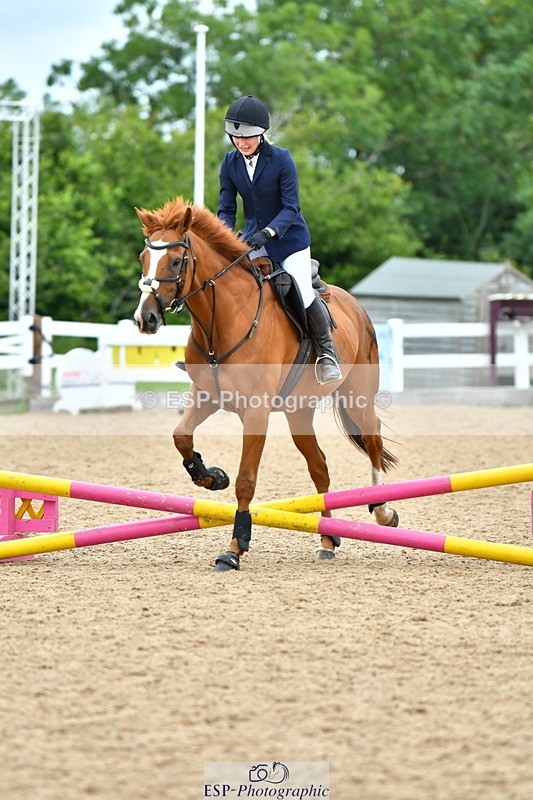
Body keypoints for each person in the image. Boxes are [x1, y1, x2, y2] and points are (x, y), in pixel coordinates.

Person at [217, 95, 341, 385]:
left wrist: (269, 232)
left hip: (289, 240)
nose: (241, 143)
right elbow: (226, 207)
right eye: (236, 137)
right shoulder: (229, 163)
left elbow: (291, 207)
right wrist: (222, 237)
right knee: (223, 283)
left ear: (262, 133)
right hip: (250, 241)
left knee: (301, 287)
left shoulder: (282, 159)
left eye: (247, 137)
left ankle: (327, 353)